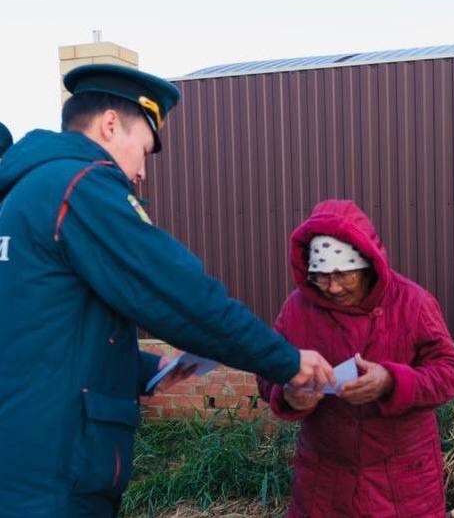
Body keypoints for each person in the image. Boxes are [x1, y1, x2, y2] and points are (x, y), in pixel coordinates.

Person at [0, 64, 334, 518]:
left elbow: (34, 335)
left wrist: (139, 368)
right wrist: (286, 362)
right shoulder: (81, 186)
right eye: (144, 149)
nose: (141, 172)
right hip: (56, 475)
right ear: (110, 124)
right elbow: (181, 296)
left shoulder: (23, 196)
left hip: (23, 462)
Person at [257, 199, 454, 517]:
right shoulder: (298, 308)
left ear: (368, 263)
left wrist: (392, 382)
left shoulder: (413, 302)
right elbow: (268, 370)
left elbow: (449, 372)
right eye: (321, 276)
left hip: (404, 480)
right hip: (323, 480)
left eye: (343, 275)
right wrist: (286, 394)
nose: (333, 287)